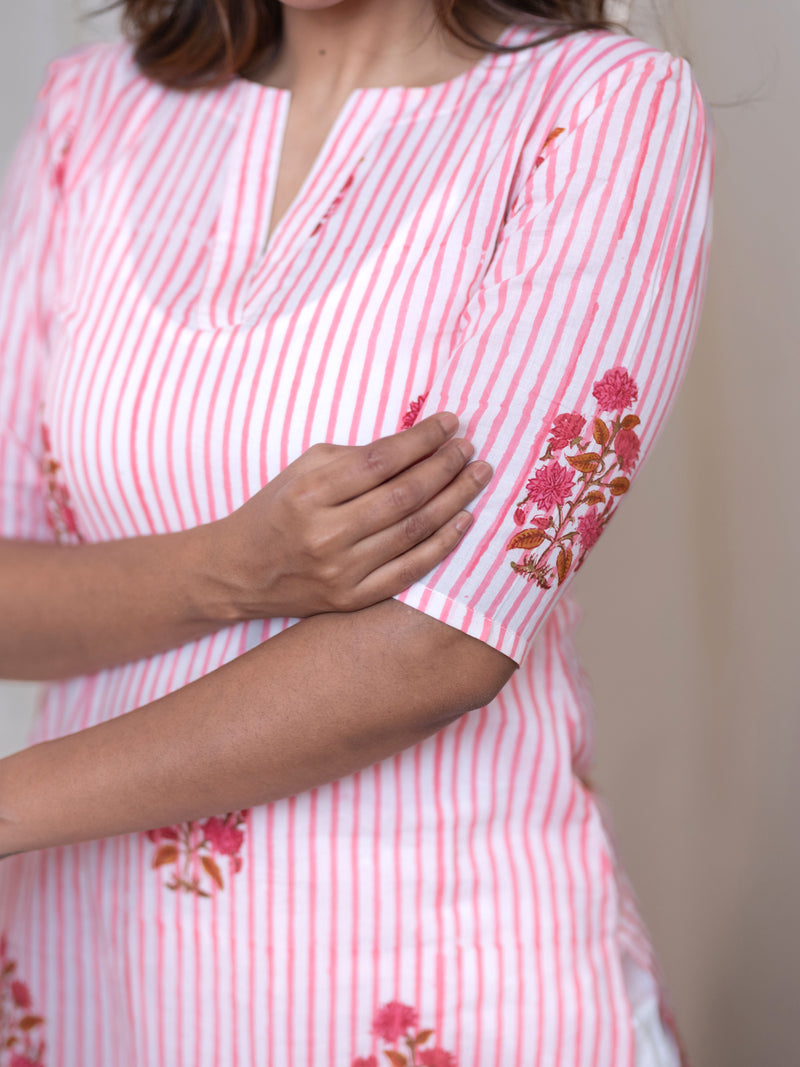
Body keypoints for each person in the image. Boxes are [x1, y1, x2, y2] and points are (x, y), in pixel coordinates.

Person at [0, 1, 714, 1064]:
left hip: (440, 980)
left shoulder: (599, 109)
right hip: (91, 987)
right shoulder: (89, 112)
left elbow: (439, 641)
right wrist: (221, 571)